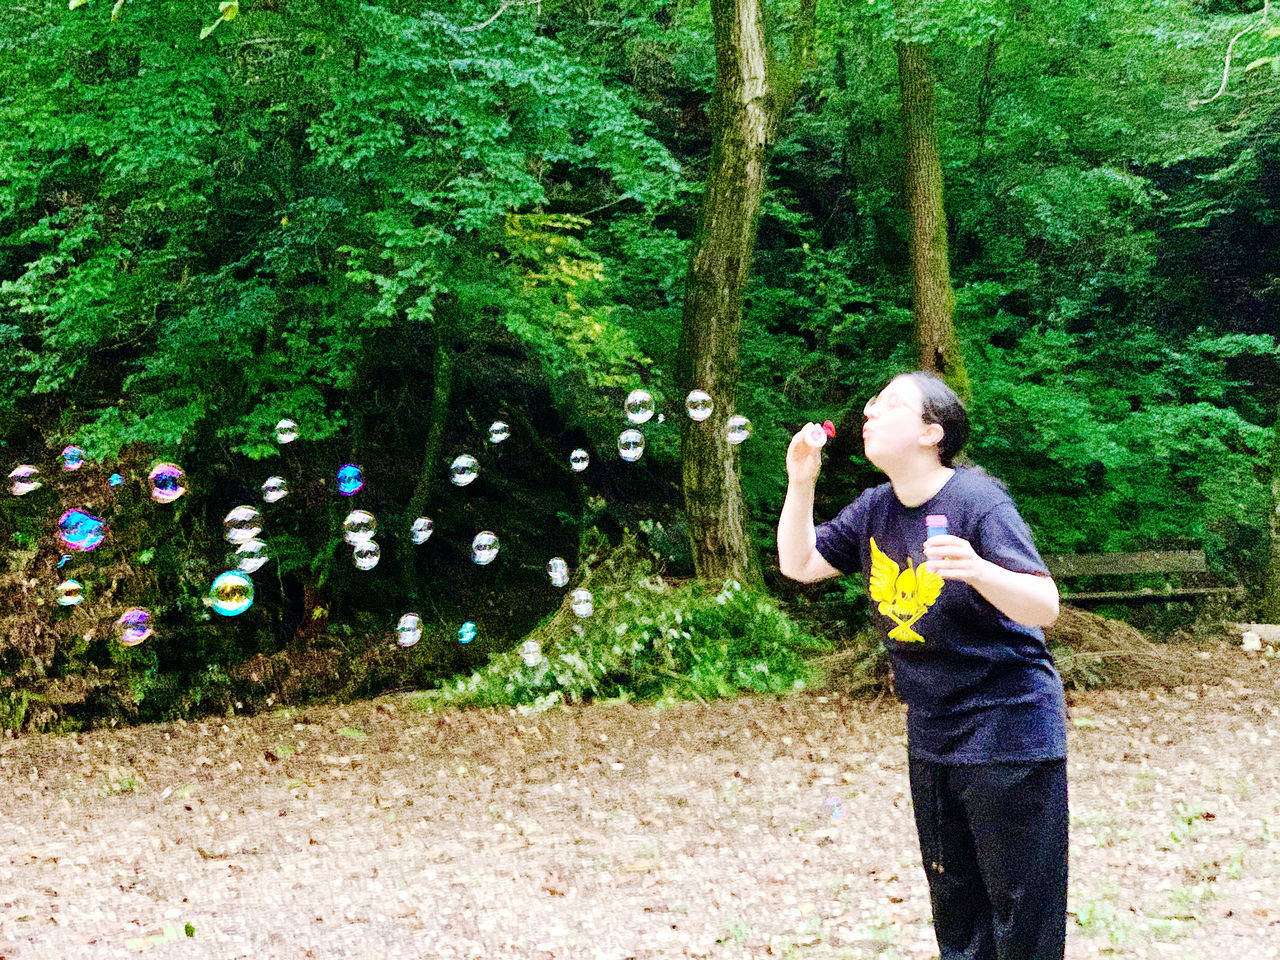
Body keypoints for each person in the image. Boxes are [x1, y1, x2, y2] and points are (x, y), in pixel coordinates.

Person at [776, 370, 1068, 960]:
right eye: (870, 401)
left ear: (931, 433)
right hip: (932, 732)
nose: (870, 412)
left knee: (1021, 913)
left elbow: (1045, 605)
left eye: (888, 404)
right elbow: (800, 564)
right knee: (957, 911)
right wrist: (800, 482)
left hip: (1009, 728)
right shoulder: (874, 509)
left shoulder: (978, 502)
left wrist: (980, 571)